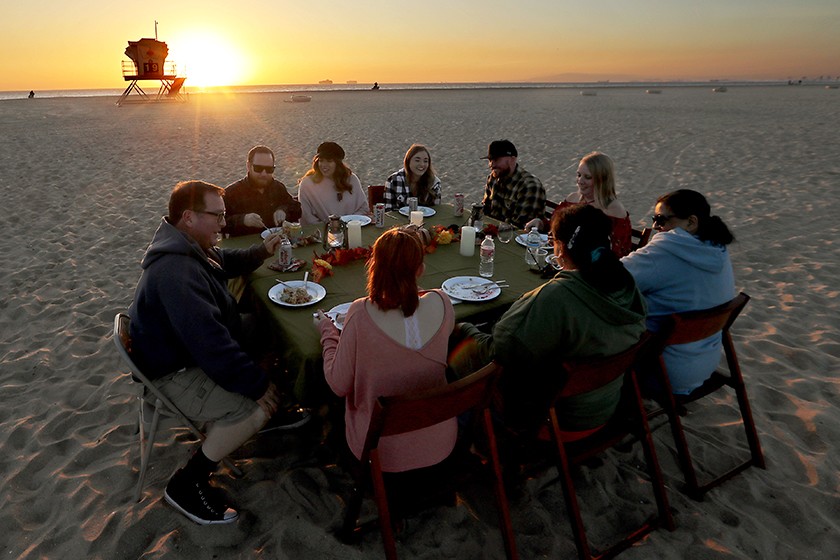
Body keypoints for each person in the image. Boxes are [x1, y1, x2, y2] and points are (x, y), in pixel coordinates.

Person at [128, 180, 310, 525]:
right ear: (189, 217)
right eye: (218, 216)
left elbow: (221, 262)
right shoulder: (175, 272)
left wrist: (259, 252)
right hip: (174, 372)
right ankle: (188, 482)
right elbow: (212, 347)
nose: (224, 223)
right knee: (252, 411)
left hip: (189, 350)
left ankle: (273, 410)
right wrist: (259, 387)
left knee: (269, 327)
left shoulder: (187, 244)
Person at [450, 204, 647, 437]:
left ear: (561, 248)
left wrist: (464, 330)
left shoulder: (558, 296)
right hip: (602, 408)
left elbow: (501, 349)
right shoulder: (625, 284)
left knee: (456, 337)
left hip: (554, 419)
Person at [315, 227, 456, 508]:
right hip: (441, 445)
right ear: (420, 269)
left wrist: (328, 333)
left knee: (330, 409)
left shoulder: (359, 314)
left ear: (374, 268)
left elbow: (338, 384)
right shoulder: (443, 302)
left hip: (383, 454)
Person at [621, 189, 736, 395]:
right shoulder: (717, 248)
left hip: (661, 373)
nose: (656, 226)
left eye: (661, 220)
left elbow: (609, 277)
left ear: (691, 222)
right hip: (702, 367)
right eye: (654, 219)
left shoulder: (669, 246)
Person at [525, 151, 632, 257]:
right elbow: (554, 226)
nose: (580, 181)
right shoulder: (573, 199)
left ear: (602, 180)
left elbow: (617, 255)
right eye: (579, 175)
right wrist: (541, 224)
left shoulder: (614, 210)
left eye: (587, 177)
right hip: (557, 258)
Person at [222, 145, 302, 237]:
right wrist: (243, 220)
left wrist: (283, 210)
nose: (264, 174)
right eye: (258, 168)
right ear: (248, 166)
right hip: (244, 247)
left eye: (269, 170)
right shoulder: (233, 192)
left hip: (277, 242)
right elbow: (217, 223)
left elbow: (297, 209)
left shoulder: (278, 188)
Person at [298, 141, 369, 225]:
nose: (324, 165)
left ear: (338, 163)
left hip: (352, 228)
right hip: (323, 232)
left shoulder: (351, 179)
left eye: (329, 161)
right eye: (321, 160)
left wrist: (349, 223)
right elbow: (306, 217)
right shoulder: (307, 184)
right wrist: (330, 228)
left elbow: (363, 208)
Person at [480, 139, 546, 229]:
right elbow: (485, 209)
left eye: (496, 159)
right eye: (490, 160)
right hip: (493, 232)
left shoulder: (529, 186)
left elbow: (520, 228)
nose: (491, 164)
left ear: (512, 159)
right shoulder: (493, 178)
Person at [383, 144, 442, 210]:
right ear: (408, 161)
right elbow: (389, 211)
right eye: (417, 160)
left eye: (425, 161)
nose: (422, 164)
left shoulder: (434, 183)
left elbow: (436, 210)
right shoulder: (394, 180)